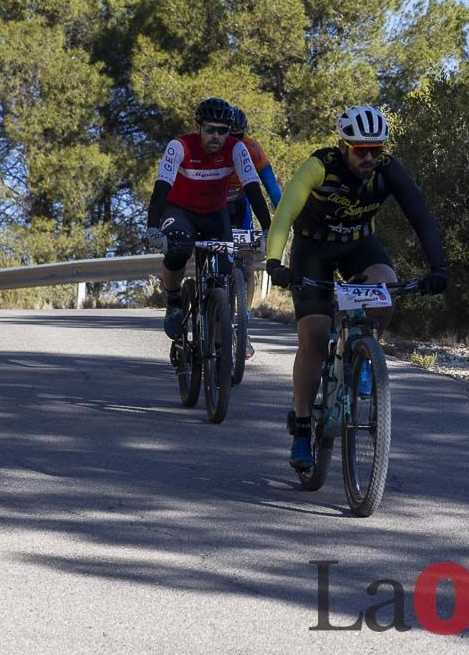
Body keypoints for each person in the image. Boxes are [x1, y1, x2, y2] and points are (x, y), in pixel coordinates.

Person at [265, 105, 448, 470]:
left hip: (357, 244)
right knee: (314, 337)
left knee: (386, 284)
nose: (368, 157)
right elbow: (284, 213)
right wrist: (275, 264)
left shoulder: (388, 171)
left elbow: (420, 214)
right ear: (342, 145)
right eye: (360, 149)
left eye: (375, 150)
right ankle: (302, 428)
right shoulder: (319, 166)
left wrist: (439, 267)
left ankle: (366, 355)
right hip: (313, 247)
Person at [146, 98, 272, 341]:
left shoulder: (237, 148)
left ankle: (218, 326)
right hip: (180, 211)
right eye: (210, 129)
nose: (216, 136)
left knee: (225, 271)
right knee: (179, 250)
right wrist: (153, 227)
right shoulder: (179, 146)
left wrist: (268, 229)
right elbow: (161, 188)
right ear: (198, 127)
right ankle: (173, 302)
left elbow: (254, 190)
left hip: (215, 214)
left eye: (222, 131)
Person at [224, 107, 283, 359]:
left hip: (241, 206)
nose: (235, 142)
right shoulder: (212, 149)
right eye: (231, 136)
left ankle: (243, 327)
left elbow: (270, 187)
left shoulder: (252, 148)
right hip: (215, 206)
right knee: (217, 261)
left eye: (240, 136)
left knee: (248, 268)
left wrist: (283, 217)